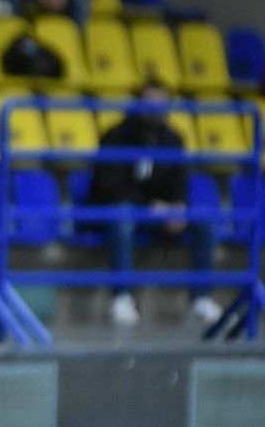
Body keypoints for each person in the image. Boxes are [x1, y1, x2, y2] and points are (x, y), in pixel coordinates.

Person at [88, 81, 223, 326]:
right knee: (122, 217)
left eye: (162, 102)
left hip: (160, 213)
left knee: (203, 219)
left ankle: (201, 298)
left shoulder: (173, 139)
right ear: (139, 103)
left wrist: (178, 206)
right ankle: (122, 298)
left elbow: (180, 179)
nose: (156, 108)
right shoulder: (115, 136)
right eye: (150, 101)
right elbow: (109, 186)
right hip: (127, 210)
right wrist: (148, 205)